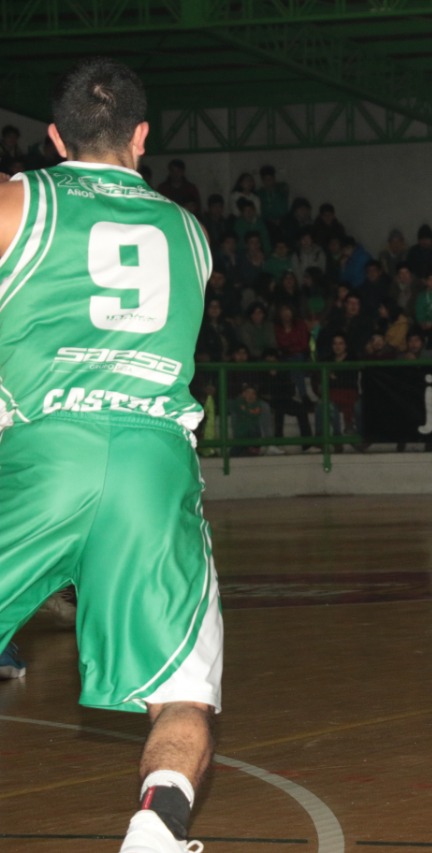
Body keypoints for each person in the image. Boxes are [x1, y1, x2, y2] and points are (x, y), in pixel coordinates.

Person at [0, 58, 222, 853]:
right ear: (142, 136)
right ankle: (155, 831)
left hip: (45, 447)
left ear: (55, 137)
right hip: (153, 461)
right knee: (183, 694)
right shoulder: (190, 232)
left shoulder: (18, 200)